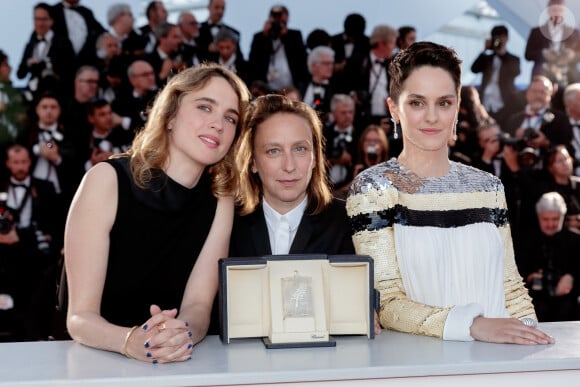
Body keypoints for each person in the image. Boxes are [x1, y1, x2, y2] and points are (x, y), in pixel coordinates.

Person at [346, 41, 554, 345]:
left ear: (457, 106)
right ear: (394, 108)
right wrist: (472, 325)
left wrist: (529, 338)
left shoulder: (489, 186)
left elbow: (510, 287)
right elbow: (387, 302)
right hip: (421, 366)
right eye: (417, 102)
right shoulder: (375, 187)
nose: (432, 116)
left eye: (443, 102)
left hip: (501, 362)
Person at [64, 63, 251, 363]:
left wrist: (180, 334)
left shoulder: (220, 200)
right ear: (170, 116)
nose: (219, 124)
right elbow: (79, 318)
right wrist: (133, 341)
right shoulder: (106, 180)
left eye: (231, 118)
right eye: (205, 107)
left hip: (172, 364)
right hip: (92, 362)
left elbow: (199, 307)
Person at [230, 94, 354, 258]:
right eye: (273, 151)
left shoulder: (348, 221)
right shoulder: (229, 223)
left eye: (300, 149)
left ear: (315, 157)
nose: (289, 166)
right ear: (253, 161)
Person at [0, 144, 62, 341]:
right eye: (16, 162)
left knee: (34, 314)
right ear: (8, 164)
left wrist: (23, 237)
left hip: (36, 262)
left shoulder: (45, 188)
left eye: (24, 162)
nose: (20, 167)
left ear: (30, 162)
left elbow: (54, 227)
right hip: (4, 262)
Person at [516, 192, 580, 322]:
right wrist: (529, 277)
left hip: (568, 306)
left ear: (562, 218)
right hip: (535, 304)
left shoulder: (575, 240)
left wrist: (571, 277)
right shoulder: (526, 241)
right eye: (546, 219)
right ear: (538, 217)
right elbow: (516, 270)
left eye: (555, 219)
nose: (550, 224)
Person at [470, 25, 521, 131]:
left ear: (506, 38)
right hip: (485, 103)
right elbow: (474, 69)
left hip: (504, 104)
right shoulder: (487, 58)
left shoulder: (513, 59)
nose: (498, 40)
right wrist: (484, 51)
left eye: (500, 37)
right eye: (495, 37)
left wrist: (502, 53)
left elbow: (516, 72)